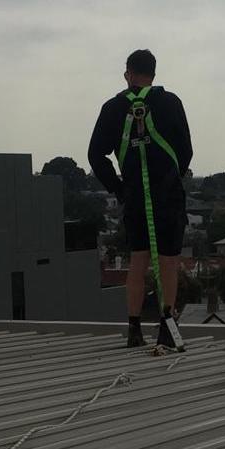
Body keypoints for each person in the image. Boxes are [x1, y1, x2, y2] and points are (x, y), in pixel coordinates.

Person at [88, 49, 193, 347]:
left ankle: (134, 329)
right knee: (168, 262)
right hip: (168, 195)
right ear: (154, 74)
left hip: (135, 195)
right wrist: (174, 175)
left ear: (129, 73)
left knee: (138, 260)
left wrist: (119, 188)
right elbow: (186, 149)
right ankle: (166, 328)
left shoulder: (112, 107)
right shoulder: (171, 103)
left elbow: (95, 154)